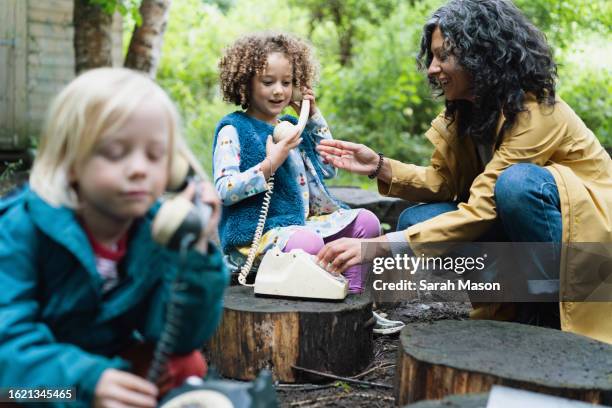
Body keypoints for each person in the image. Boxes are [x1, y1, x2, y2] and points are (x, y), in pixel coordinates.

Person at [315, 0, 612, 344]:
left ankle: (547, 312)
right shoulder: (468, 113)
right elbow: (444, 183)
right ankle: (511, 302)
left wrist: (378, 246)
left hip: (589, 244)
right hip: (517, 229)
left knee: (516, 184)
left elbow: (485, 206)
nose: (431, 68)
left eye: (444, 56)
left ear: (480, 56)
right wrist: (379, 166)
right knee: (417, 222)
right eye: (432, 57)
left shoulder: (535, 112)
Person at [0, 68, 229, 407]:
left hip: (99, 372)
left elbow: (180, 337)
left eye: (155, 156)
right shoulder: (20, 229)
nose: (139, 169)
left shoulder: (152, 230)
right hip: (29, 385)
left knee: (185, 364)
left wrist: (193, 252)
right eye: (114, 152)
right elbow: (7, 345)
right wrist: (87, 381)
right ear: (70, 162)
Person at [213, 32, 380, 293]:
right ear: (245, 84)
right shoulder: (233, 130)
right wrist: (270, 164)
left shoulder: (292, 128)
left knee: (367, 222)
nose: (279, 90)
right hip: (256, 236)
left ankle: (354, 297)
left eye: (287, 82)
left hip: (301, 225)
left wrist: (311, 116)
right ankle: (322, 296)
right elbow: (224, 190)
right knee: (308, 242)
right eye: (268, 82)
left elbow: (329, 168)